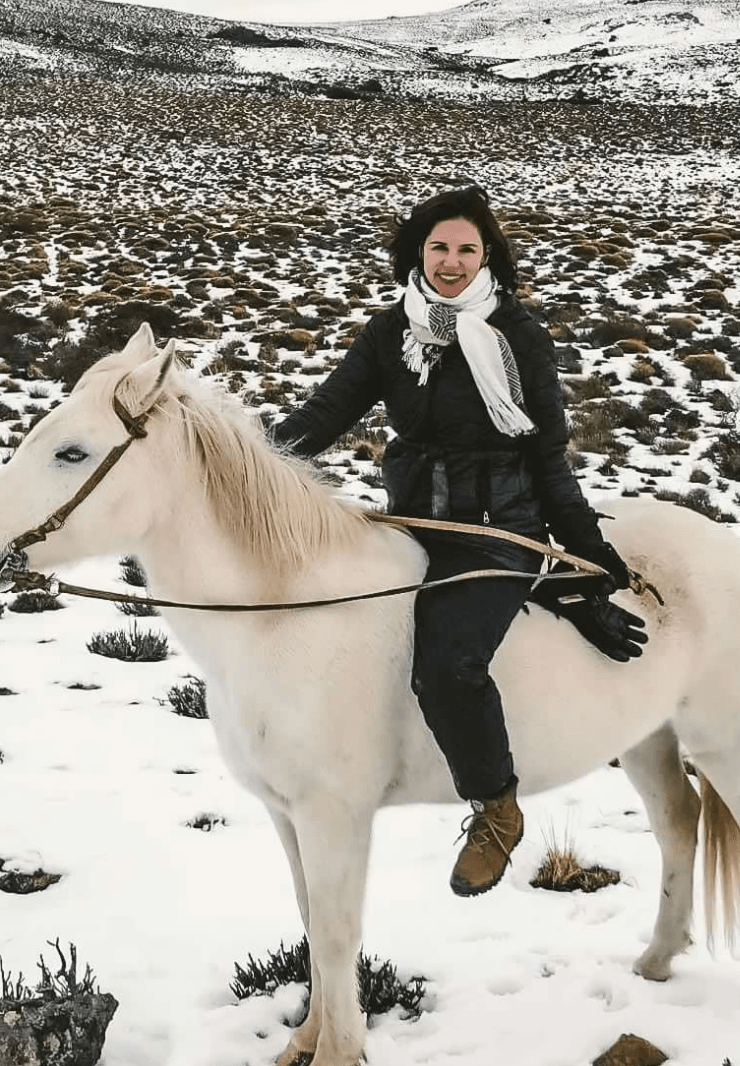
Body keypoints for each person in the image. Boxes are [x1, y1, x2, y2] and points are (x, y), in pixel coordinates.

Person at [273, 185, 647, 897]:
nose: (450, 261)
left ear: (488, 257)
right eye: (439, 247)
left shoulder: (518, 336)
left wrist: (592, 561)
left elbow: (548, 458)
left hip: (497, 535)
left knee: (447, 664)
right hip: (410, 525)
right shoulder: (392, 332)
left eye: (466, 249)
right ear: (418, 252)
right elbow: (324, 415)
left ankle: (496, 808)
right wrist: (245, 461)